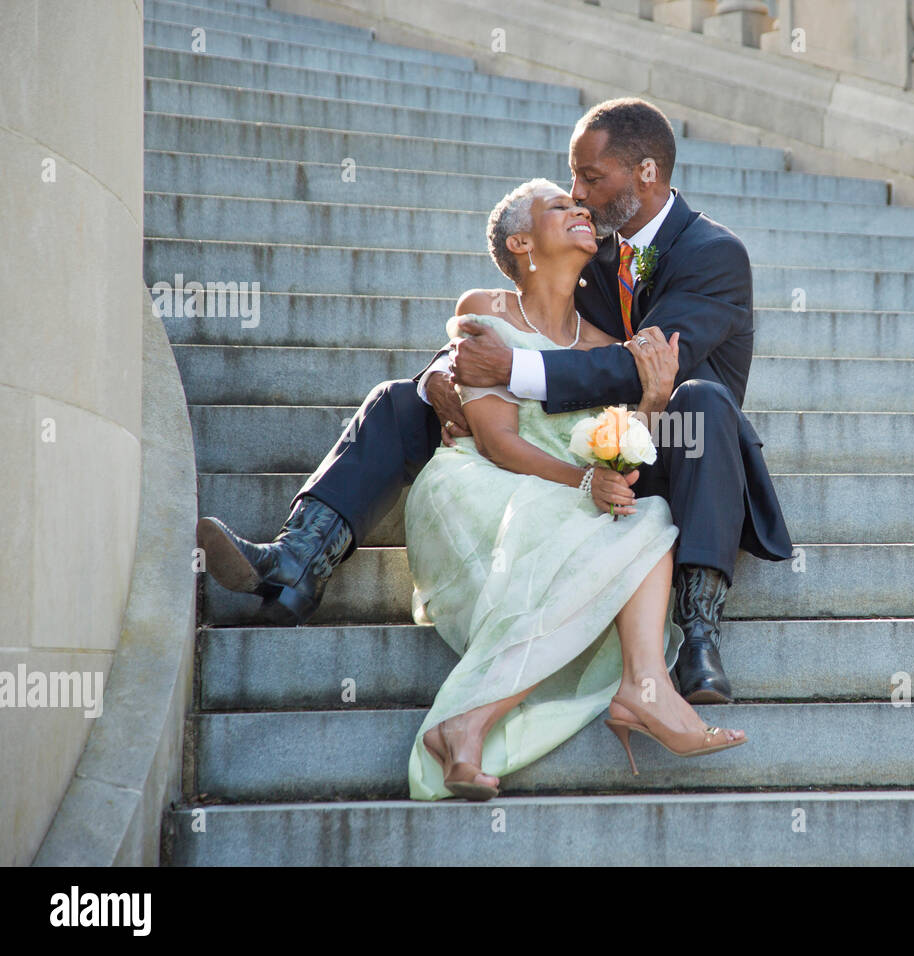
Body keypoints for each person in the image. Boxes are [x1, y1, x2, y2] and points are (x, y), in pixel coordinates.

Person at [195, 97, 792, 704]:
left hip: (675, 449)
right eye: (572, 177)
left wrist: (512, 368)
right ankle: (298, 559)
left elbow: (634, 365)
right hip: (571, 433)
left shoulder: (712, 254)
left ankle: (699, 638)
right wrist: (445, 372)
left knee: (704, 400)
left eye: (591, 177)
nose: (577, 193)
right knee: (401, 401)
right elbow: (529, 316)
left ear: (646, 172)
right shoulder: (592, 250)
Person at [408, 179, 745, 800]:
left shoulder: (601, 344)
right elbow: (496, 442)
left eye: (582, 203)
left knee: (649, 518)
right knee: (600, 531)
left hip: (567, 485)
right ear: (521, 241)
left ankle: (633, 690)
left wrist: (652, 400)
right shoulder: (485, 309)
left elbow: (620, 439)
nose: (580, 207)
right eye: (561, 206)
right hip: (487, 484)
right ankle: (484, 718)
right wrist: (585, 481)